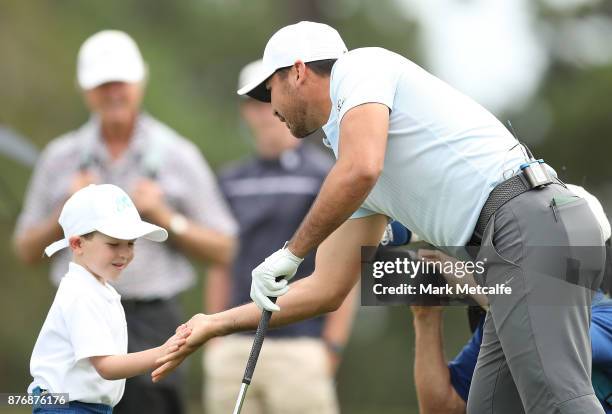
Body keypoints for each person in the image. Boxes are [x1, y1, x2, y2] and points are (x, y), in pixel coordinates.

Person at [153, 21, 605, 414]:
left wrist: (291, 252)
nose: (269, 107)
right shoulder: (354, 168)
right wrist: (216, 323)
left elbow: (361, 167)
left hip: (533, 222)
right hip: (512, 242)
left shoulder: (362, 68)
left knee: (557, 399)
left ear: (297, 71)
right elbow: (325, 290)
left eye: (268, 89)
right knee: (488, 406)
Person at [13, 30, 237, 414]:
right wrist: (64, 214)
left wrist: (165, 217)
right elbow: (25, 248)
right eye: (103, 84)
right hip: (79, 314)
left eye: (121, 82)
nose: (113, 92)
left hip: (153, 317)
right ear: (86, 90)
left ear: (140, 83)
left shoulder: (178, 155)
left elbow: (224, 247)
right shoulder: (59, 158)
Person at [202, 59, 355, 414]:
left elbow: (346, 262)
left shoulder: (325, 174)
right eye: (255, 102)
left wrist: (332, 345)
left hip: (301, 347)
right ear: (245, 111)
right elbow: (221, 260)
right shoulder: (231, 181)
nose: (266, 110)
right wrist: (214, 339)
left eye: (269, 96)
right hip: (233, 343)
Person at [411, 184, 612, 413]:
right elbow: (444, 408)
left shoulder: (607, 317)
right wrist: (425, 316)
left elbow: (550, 336)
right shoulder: (503, 320)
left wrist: (477, 283)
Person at [28, 184, 191, 413]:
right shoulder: (81, 294)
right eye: (113, 244)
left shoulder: (96, 289)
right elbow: (106, 366)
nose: (124, 253)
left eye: (131, 243)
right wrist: (162, 352)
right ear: (77, 244)